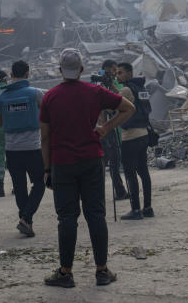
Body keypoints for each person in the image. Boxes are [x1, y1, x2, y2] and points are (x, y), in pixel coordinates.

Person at [40, 48, 135, 288]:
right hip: (92, 160)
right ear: (82, 69)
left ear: (60, 70)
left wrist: (47, 169)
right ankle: (102, 271)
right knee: (96, 215)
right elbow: (128, 108)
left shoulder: (50, 97)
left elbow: (44, 138)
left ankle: (65, 273)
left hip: (62, 164)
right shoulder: (96, 92)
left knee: (67, 218)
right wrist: (107, 128)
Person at [0, 60, 45, 237]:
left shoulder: (2, 96)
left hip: (11, 149)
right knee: (39, 183)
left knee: (20, 187)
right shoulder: (35, 93)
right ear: (27, 73)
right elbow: (48, 111)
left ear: (11, 74)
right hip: (32, 147)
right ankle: (26, 218)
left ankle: (26, 221)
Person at [115, 62, 154, 220]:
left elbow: (113, 107)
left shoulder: (125, 89)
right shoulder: (141, 88)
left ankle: (135, 209)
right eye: (117, 73)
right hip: (144, 134)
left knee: (130, 173)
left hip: (130, 136)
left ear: (129, 73)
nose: (118, 76)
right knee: (143, 172)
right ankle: (148, 208)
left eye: (120, 73)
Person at [97, 60, 129, 200]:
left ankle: (120, 190)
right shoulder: (99, 84)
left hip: (109, 126)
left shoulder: (110, 84)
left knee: (115, 159)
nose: (116, 73)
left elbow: (118, 98)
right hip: (104, 128)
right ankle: (99, 193)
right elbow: (105, 107)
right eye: (114, 70)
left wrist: (111, 86)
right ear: (107, 69)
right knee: (105, 161)